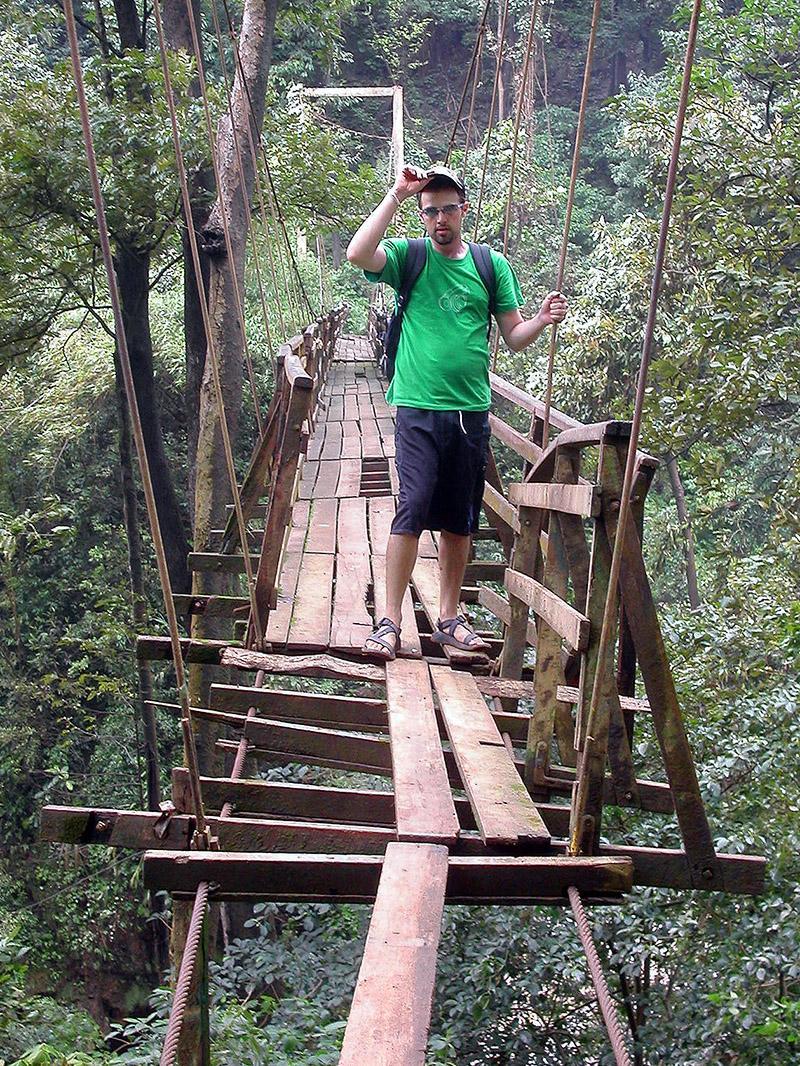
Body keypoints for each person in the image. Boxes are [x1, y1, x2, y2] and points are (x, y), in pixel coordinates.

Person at [346, 164, 567, 660]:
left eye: (448, 209)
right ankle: (390, 621)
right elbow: (358, 252)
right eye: (431, 211)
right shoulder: (411, 256)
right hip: (418, 408)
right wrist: (397, 197)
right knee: (414, 503)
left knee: (460, 518)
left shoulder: (491, 265)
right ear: (422, 216)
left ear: (463, 211)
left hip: (470, 412)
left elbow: (513, 338)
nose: (439, 218)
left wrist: (540, 320)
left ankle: (448, 618)